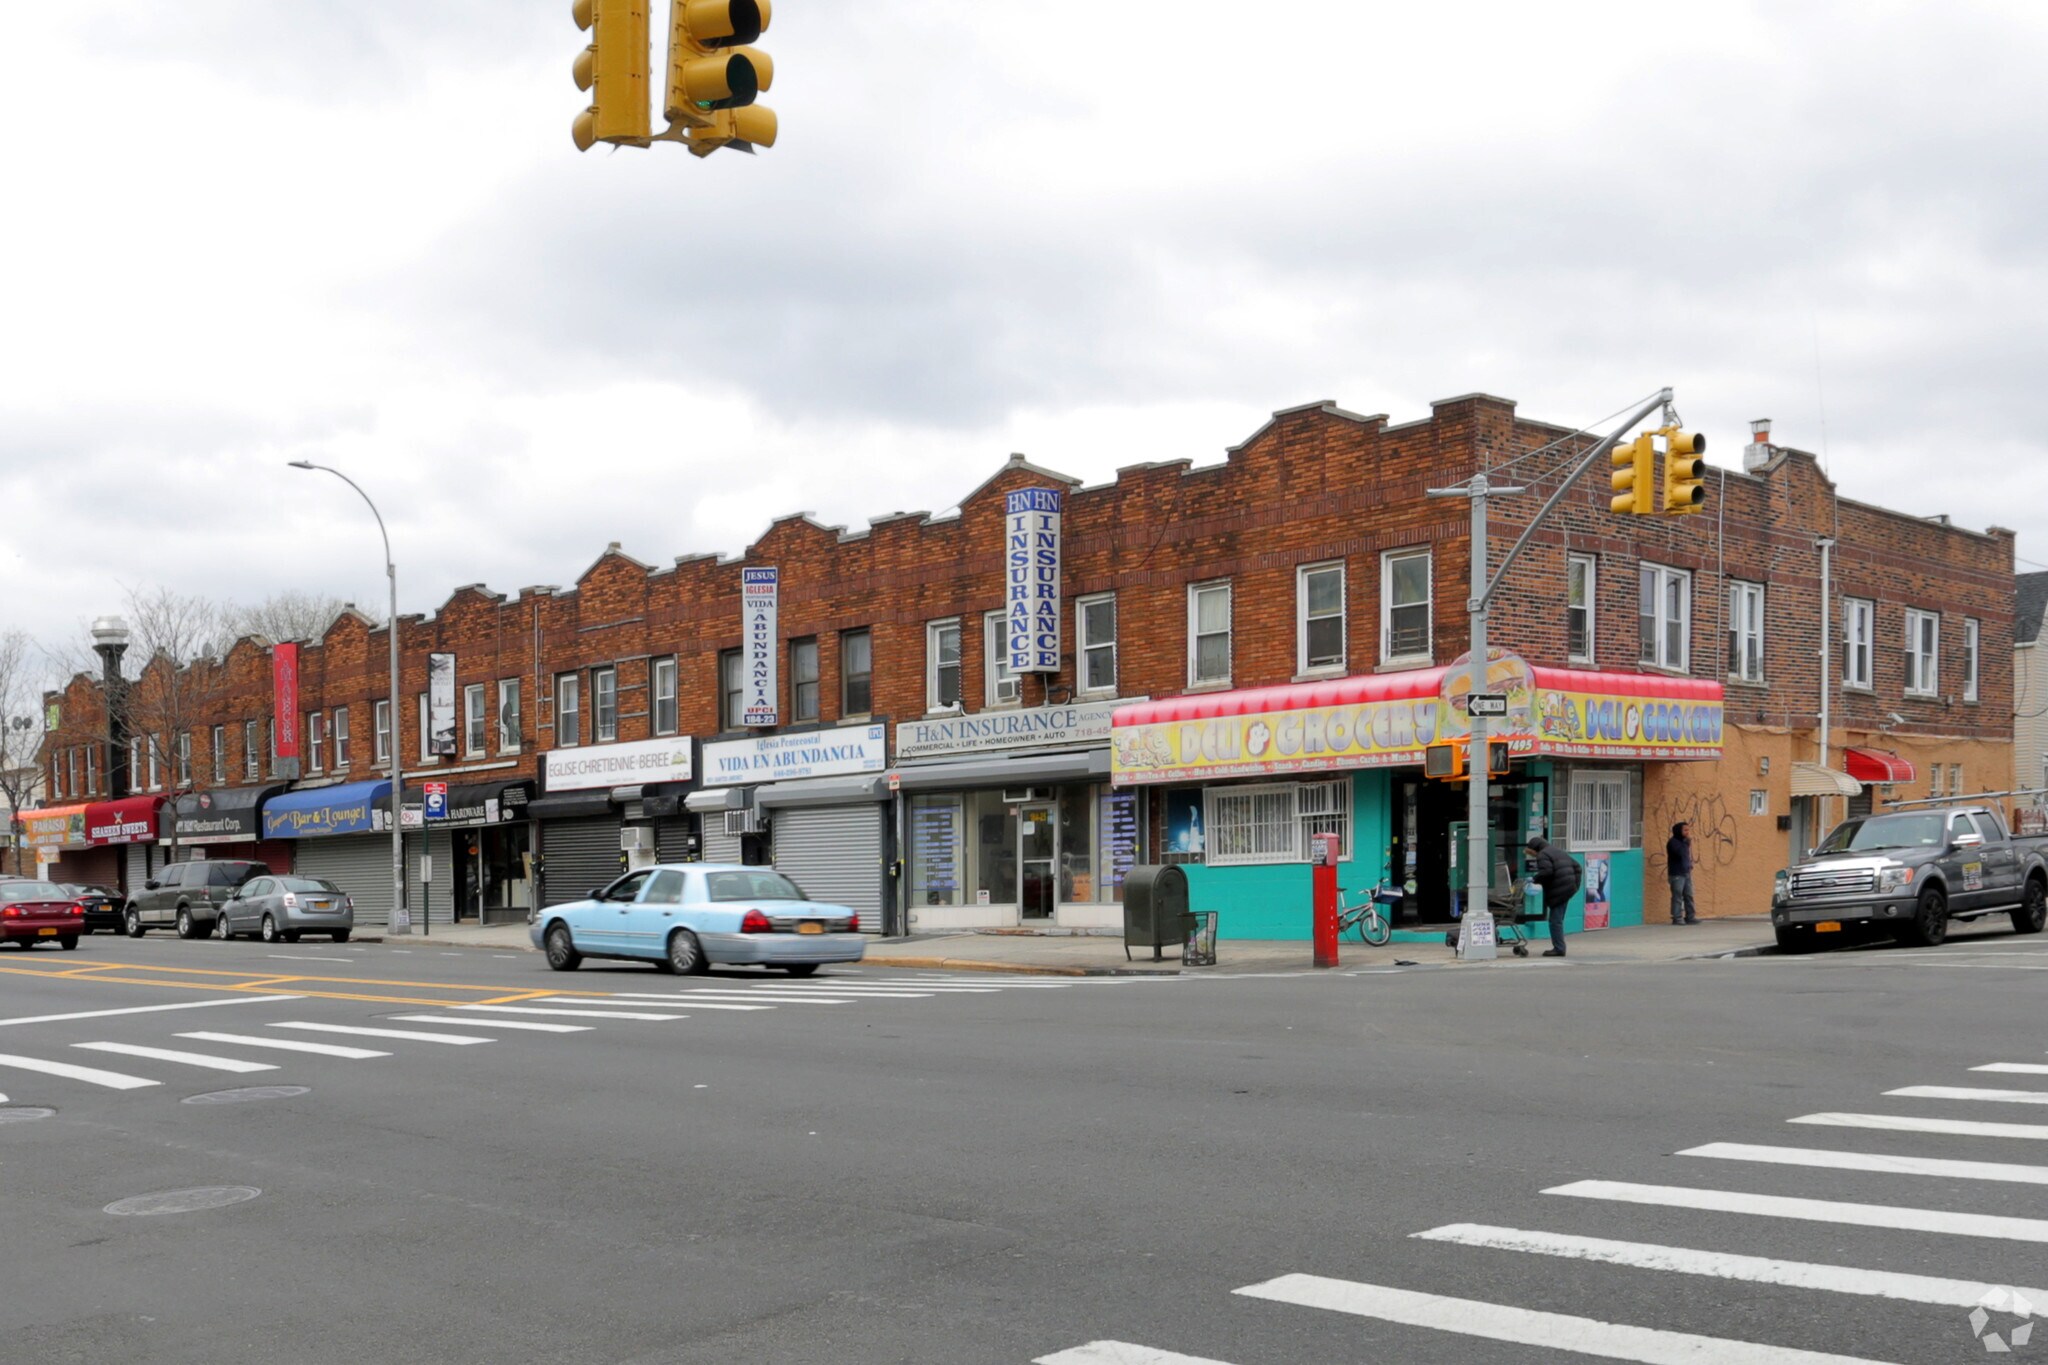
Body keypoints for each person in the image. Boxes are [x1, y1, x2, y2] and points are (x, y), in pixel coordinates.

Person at [1524, 835, 1581, 957]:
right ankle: (1559, 947)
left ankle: (1559, 948)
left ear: (1535, 848)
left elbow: (1547, 872)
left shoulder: (1542, 855)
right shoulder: (1558, 851)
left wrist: (1534, 879)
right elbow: (1578, 867)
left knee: (1555, 921)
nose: (1533, 855)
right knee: (1557, 920)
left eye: (1532, 853)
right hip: (1567, 889)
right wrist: (1575, 886)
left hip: (1559, 891)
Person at [1666, 821, 1698, 924]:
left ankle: (1690, 916)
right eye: (1685, 830)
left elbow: (1685, 856)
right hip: (1677, 874)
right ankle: (1677, 917)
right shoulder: (1673, 842)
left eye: (1688, 830)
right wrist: (1685, 843)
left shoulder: (1685, 842)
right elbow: (1679, 853)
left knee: (1689, 895)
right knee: (1677, 895)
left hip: (1686, 872)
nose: (1687, 832)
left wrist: (1689, 865)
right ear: (1678, 831)